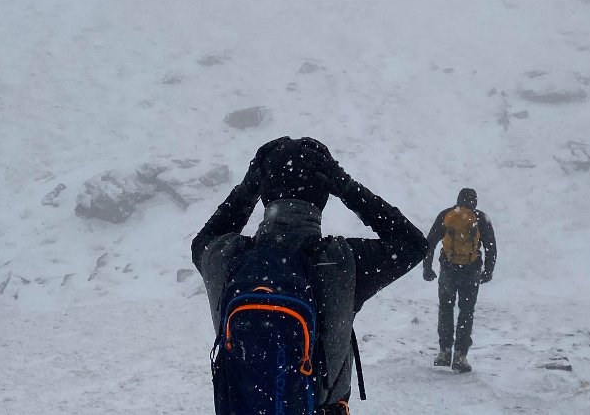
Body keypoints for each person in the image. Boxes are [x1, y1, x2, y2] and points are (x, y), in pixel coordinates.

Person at [192, 136, 427, 415]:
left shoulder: (228, 257)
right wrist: (347, 187)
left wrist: (247, 189)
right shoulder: (342, 262)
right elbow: (413, 244)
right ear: (323, 195)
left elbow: (202, 240)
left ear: (265, 194)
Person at [422, 187, 497, 373]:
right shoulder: (481, 219)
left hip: (448, 269)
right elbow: (491, 247)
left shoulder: (446, 215)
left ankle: (444, 352)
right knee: (466, 311)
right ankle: (461, 356)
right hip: (471, 272)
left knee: (446, 308)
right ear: (475, 202)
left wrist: (427, 267)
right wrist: (488, 270)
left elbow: (429, 242)